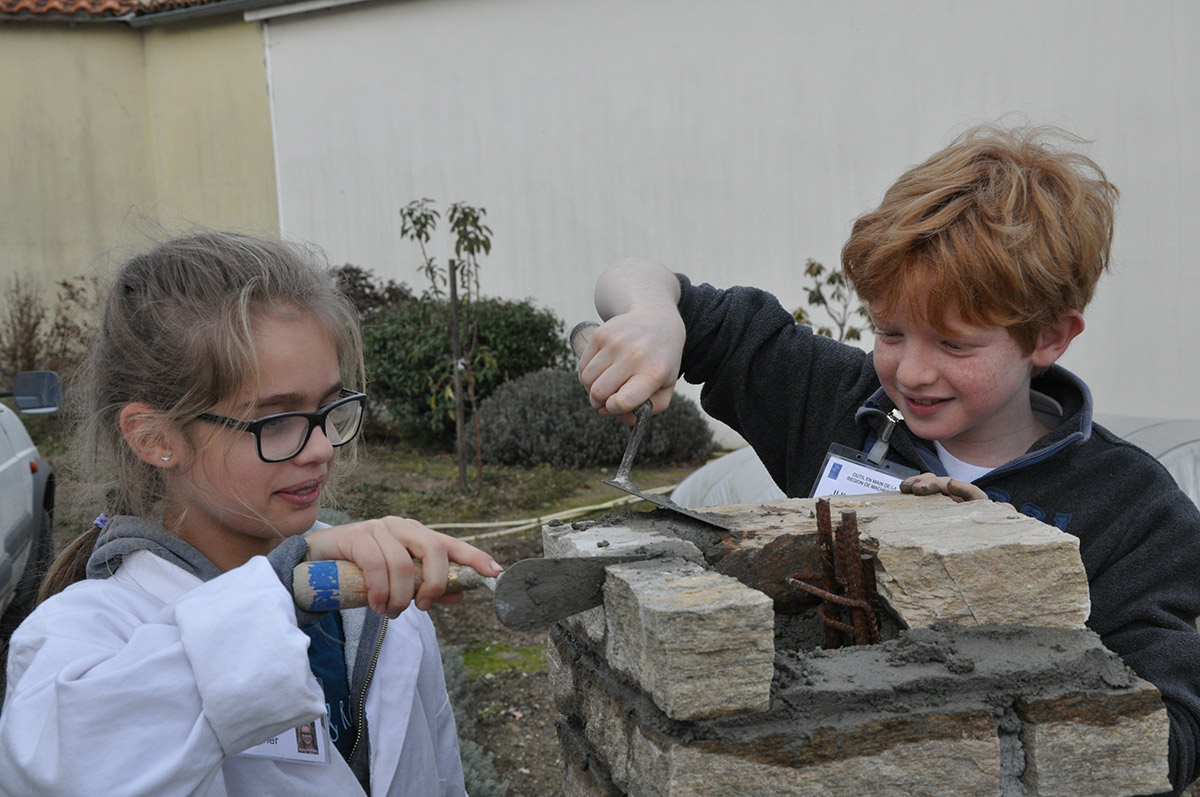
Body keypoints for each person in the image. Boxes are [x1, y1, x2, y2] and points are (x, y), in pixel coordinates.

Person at [578, 125, 1200, 794]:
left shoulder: (1135, 508)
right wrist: (653, 317)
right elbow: (646, 284)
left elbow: (1170, 736)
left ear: (1049, 335)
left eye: (954, 344)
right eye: (889, 330)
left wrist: (1011, 584)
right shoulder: (834, 399)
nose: (911, 370)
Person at [0, 232, 503, 795]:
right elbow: (67, 770)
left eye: (329, 408)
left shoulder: (383, 608)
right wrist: (285, 585)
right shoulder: (83, 641)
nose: (322, 450)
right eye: (276, 420)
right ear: (155, 437)